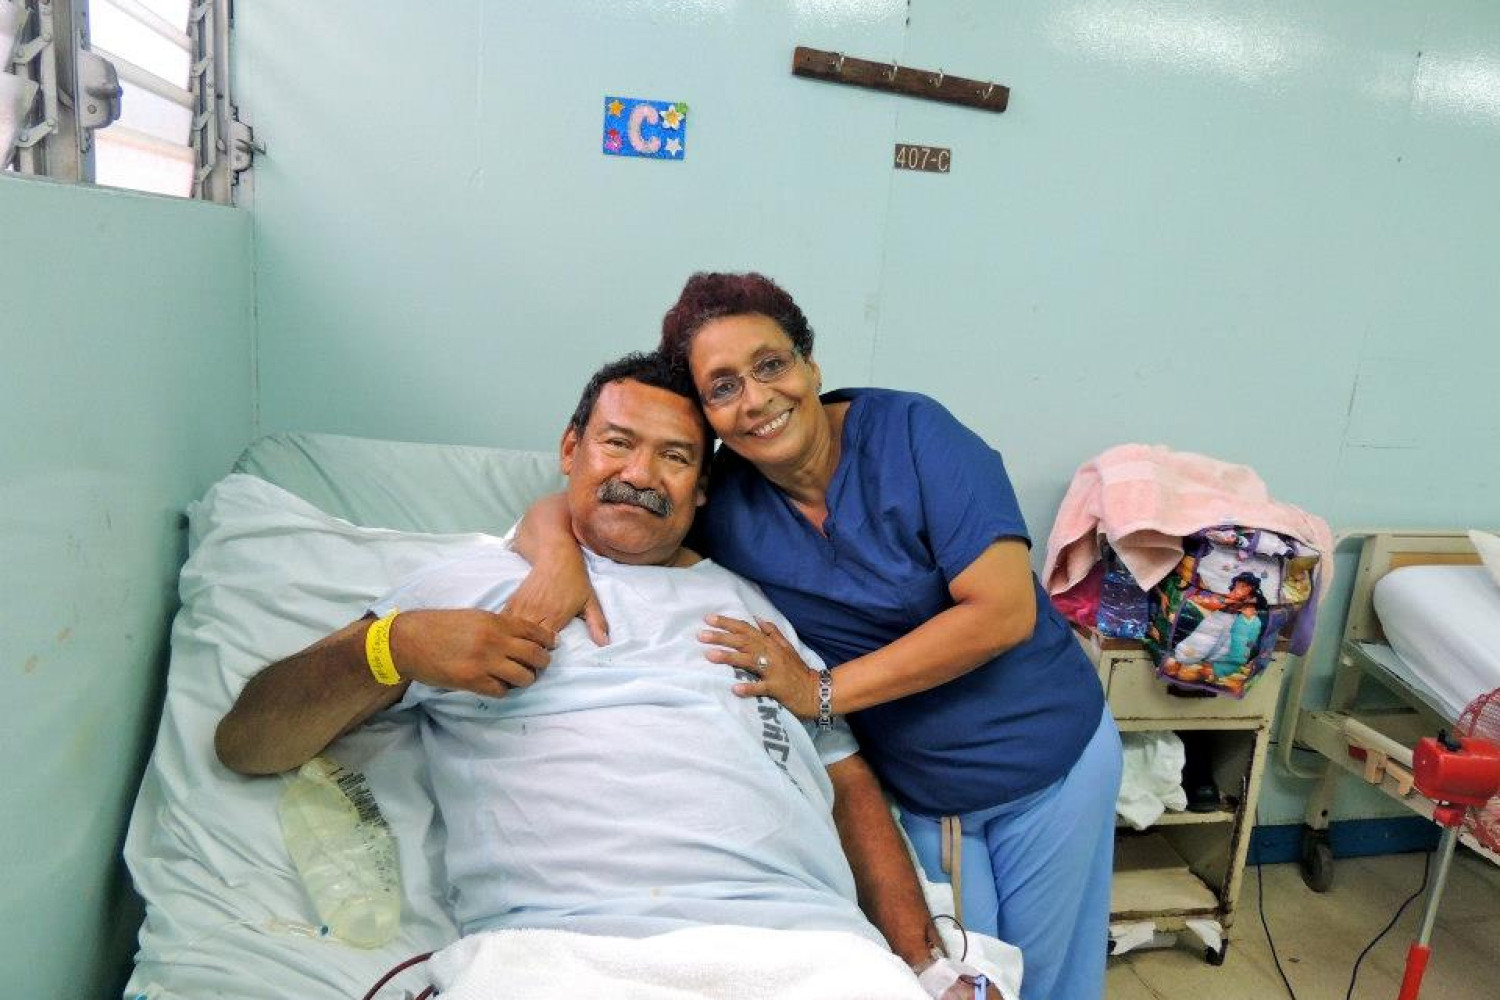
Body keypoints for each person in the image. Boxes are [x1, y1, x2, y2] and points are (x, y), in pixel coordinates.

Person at [215, 352, 992, 994]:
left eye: (676, 456)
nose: (641, 475)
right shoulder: (464, 588)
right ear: (569, 450)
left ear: (703, 488)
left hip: (809, 952)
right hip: (559, 953)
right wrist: (393, 648)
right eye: (617, 443)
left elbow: (847, 778)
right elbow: (249, 742)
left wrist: (925, 962)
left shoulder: (752, 606)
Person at [511, 273, 1123, 1000]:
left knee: (1051, 984)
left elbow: (1001, 613)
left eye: (771, 365)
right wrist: (554, 559)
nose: (758, 399)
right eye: (724, 386)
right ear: (709, 419)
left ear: (810, 365)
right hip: (923, 788)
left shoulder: (914, 436)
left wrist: (821, 692)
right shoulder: (726, 502)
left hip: (1050, 756)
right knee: (964, 984)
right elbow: (593, 502)